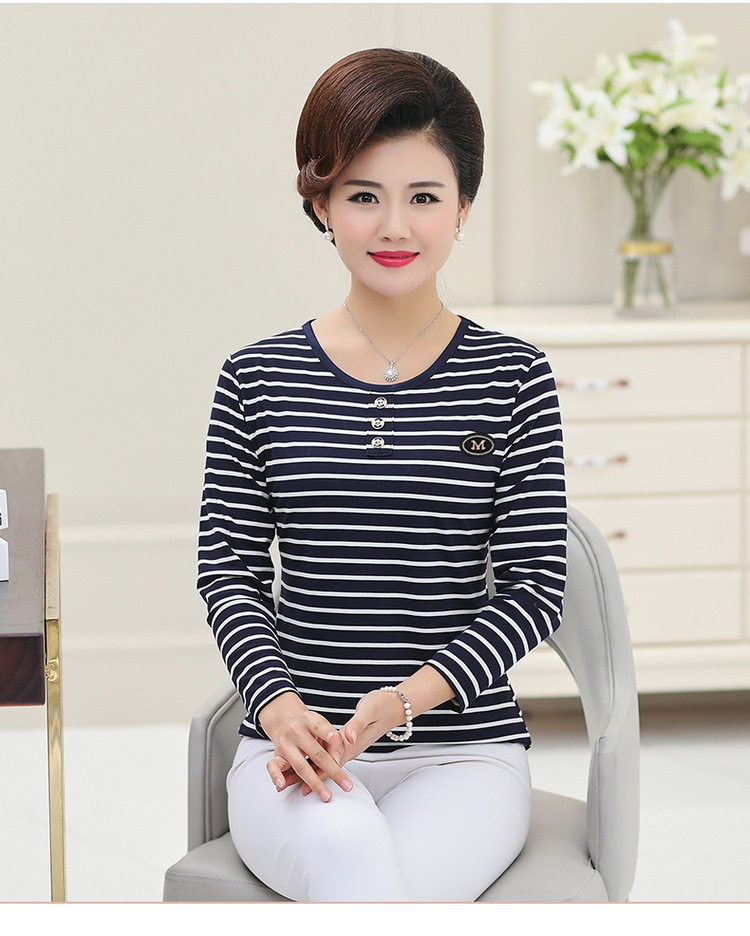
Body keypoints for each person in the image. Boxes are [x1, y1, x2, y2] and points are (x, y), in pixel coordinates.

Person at [197, 48, 567, 903]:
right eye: (364, 196)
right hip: (293, 749)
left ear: (463, 207)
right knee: (352, 857)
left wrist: (401, 703)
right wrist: (281, 709)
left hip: (465, 753)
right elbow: (229, 571)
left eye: (424, 197)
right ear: (320, 203)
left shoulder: (513, 376)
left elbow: (535, 590)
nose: (395, 227)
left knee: (385, 889)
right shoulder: (257, 377)